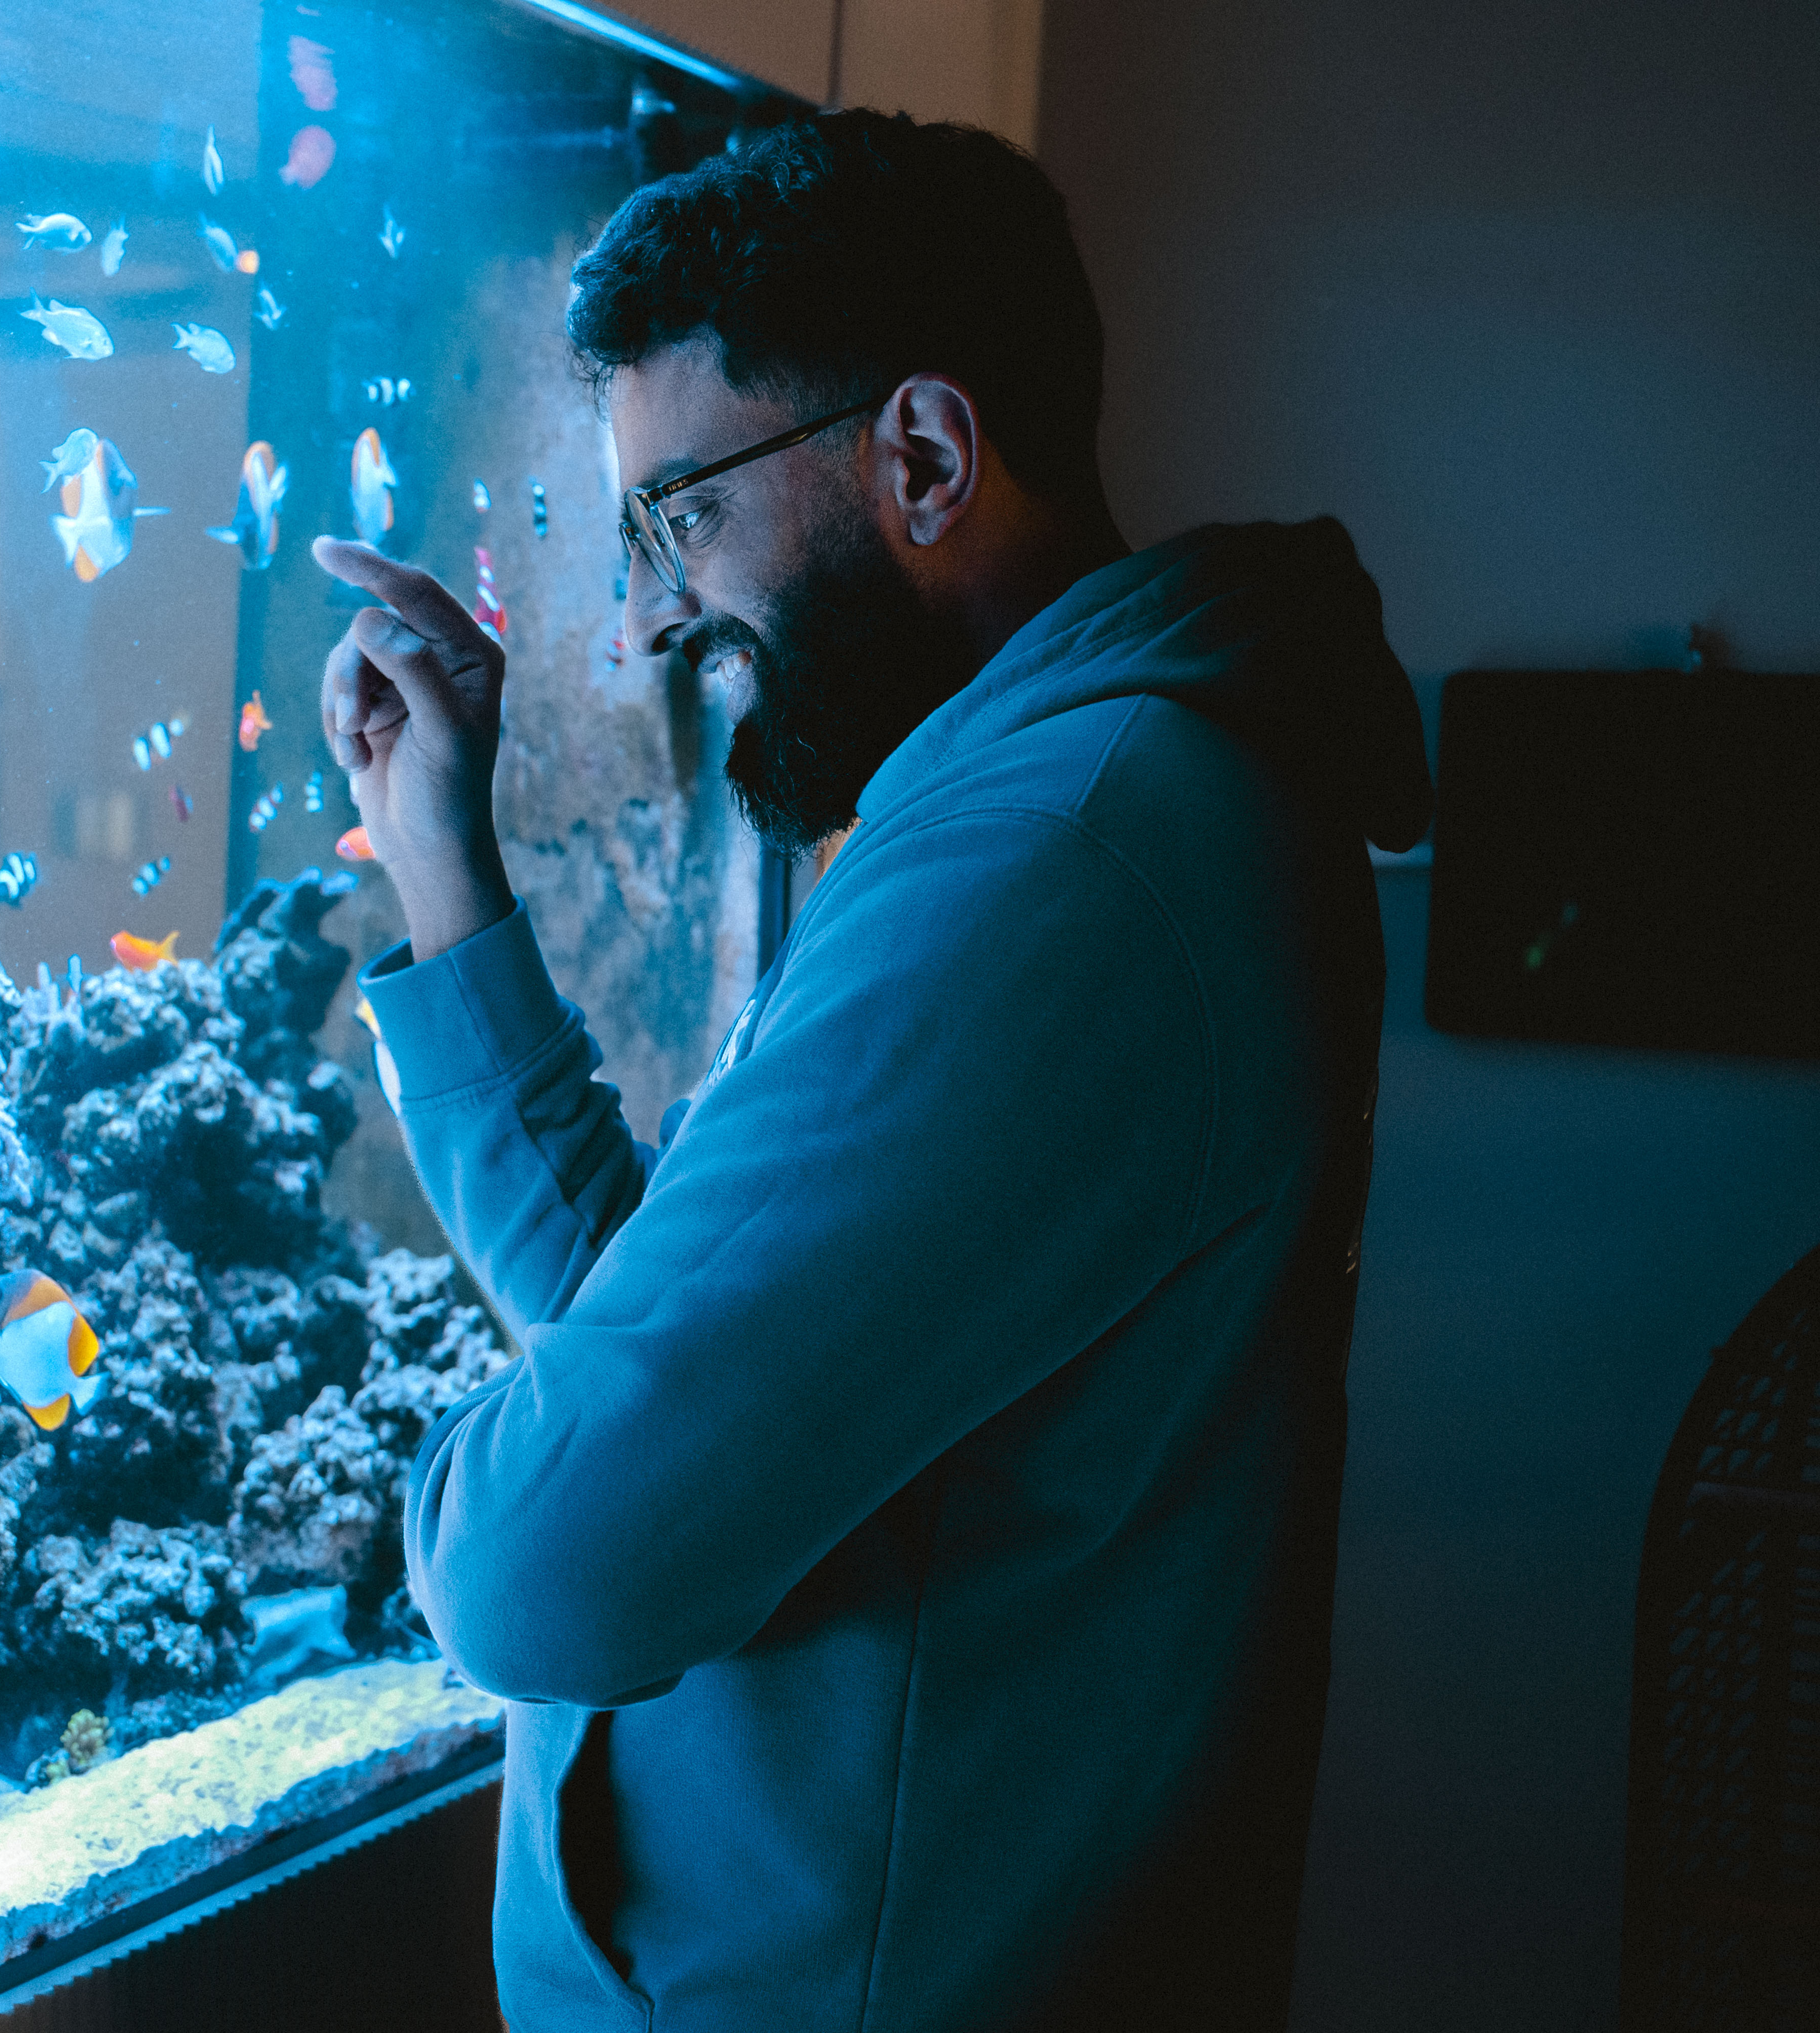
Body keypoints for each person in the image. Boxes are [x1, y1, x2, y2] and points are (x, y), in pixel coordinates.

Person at [316, 110, 1430, 2032]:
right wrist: (444, 863)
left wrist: (441, 1499)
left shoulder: (1056, 859)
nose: (651, 612)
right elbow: (667, 1347)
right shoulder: (1037, 809)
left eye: (679, 516)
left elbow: (543, 1570)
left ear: (921, 458)